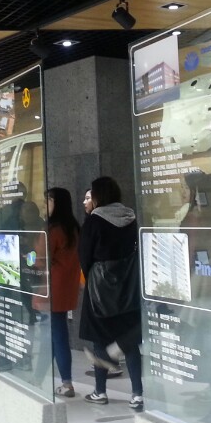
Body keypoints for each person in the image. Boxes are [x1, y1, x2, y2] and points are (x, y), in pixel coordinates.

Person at [78, 176, 142, 410]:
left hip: (100, 289)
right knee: (130, 343)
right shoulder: (130, 217)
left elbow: (85, 256)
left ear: (98, 196)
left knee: (100, 340)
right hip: (128, 287)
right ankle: (137, 394)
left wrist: (94, 275)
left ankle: (100, 391)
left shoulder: (94, 221)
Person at [47, 187, 82, 397]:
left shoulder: (53, 230)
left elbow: (39, 258)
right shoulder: (74, 228)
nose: (46, 205)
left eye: (49, 201)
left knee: (56, 336)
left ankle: (66, 382)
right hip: (66, 287)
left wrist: (27, 258)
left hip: (50, 288)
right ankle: (44, 377)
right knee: (55, 335)